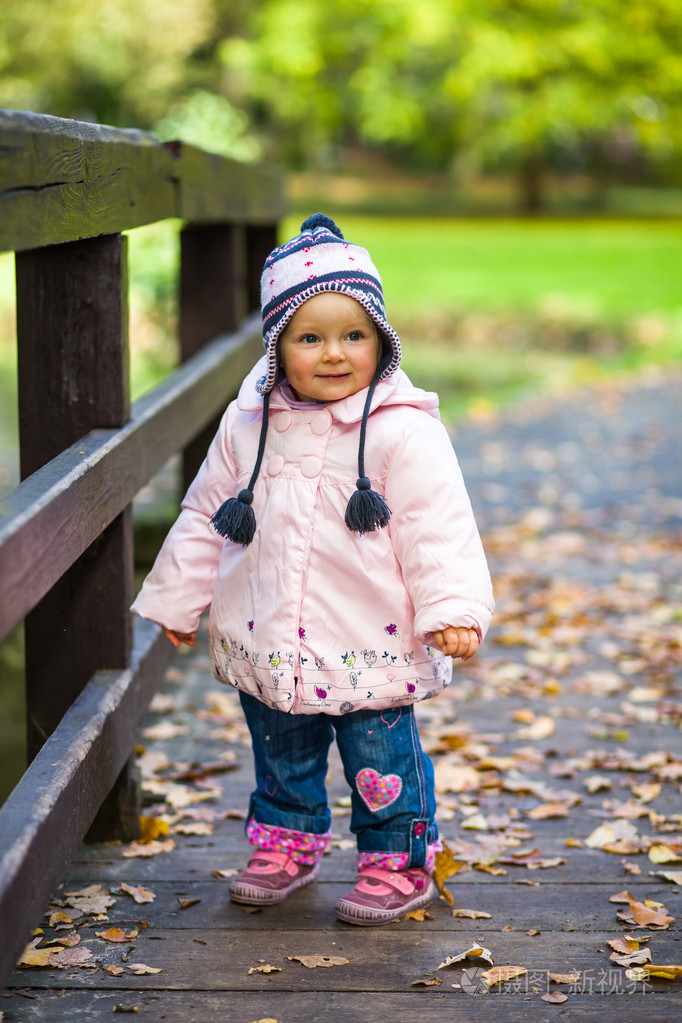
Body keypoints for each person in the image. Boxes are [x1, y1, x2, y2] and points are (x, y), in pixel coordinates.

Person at [131, 214, 494, 925]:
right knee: (282, 749)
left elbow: (437, 526)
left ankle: (398, 857)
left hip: (371, 638)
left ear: (381, 340)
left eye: (353, 335)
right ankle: (287, 840)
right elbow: (208, 512)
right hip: (270, 633)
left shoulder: (402, 430)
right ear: (276, 347)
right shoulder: (247, 425)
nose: (334, 353)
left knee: (380, 756)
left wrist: (451, 607)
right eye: (310, 337)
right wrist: (178, 600)